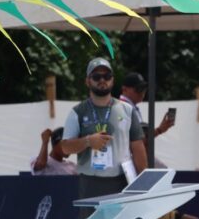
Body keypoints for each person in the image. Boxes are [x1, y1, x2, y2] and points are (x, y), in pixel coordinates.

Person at [59, 57, 146, 210]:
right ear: (87, 81)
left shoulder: (127, 110)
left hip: (122, 181)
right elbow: (65, 148)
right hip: (91, 183)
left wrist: (144, 185)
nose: (102, 80)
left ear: (112, 80)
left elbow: (138, 148)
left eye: (107, 76)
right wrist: (87, 141)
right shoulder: (77, 112)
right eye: (96, 77)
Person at [119, 72, 175, 140]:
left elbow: (138, 138)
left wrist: (159, 130)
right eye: (139, 89)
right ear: (125, 89)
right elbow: (134, 140)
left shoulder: (129, 107)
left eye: (144, 88)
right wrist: (159, 130)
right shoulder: (123, 108)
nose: (142, 92)